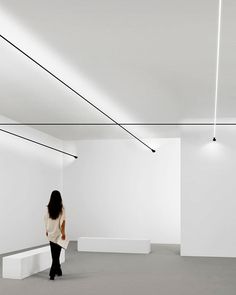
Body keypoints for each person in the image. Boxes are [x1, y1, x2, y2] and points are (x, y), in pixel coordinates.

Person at [44, 190, 66, 280]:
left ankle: (58, 271)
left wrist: (46, 230)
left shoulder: (48, 208)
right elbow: (63, 222)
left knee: (54, 255)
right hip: (58, 234)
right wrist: (64, 233)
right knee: (56, 255)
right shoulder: (61, 208)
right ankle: (52, 273)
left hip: (51, 234)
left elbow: (45, 219)